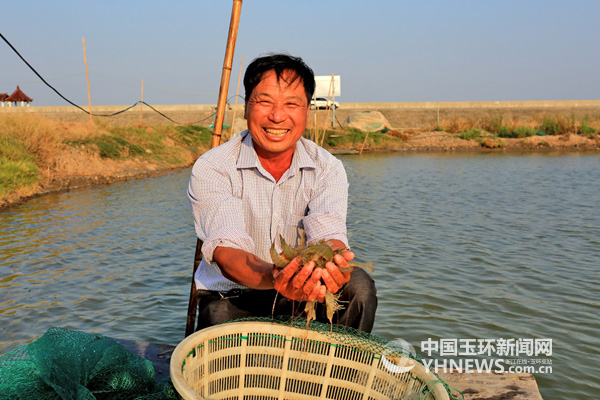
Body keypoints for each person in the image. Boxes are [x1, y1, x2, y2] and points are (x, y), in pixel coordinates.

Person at [187, 53, 377, 332]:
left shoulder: (327, 167)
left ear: (307, 112)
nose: (277, 116)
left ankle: (334, 371)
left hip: (305, 290)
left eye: (291, 104)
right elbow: (228, 252)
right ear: (245, 108)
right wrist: (277, 276)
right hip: (234, 296)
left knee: (358, 286)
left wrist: (334, 264)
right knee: (217, 315)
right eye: (264, 102)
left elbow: (329, 234)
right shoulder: (213, 166)